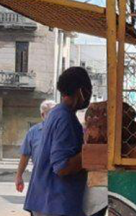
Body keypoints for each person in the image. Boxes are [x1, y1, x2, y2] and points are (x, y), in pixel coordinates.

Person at [24, 66, 92, 216]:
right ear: (81, 91)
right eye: (89, 90)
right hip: (55, 204)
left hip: (47, 201)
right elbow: (62, 167)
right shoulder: (64, 118)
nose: (89, 95)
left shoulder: (58, 113)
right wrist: (92, 153)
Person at [15, 99, 56, 193]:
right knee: (39, 206)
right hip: (40, 176)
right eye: (52, 113)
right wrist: (19, 176)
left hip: (60, 177)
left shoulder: (63, 130)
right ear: (43, 115)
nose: (56, 116)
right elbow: (25, 155)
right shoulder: (33, 132)